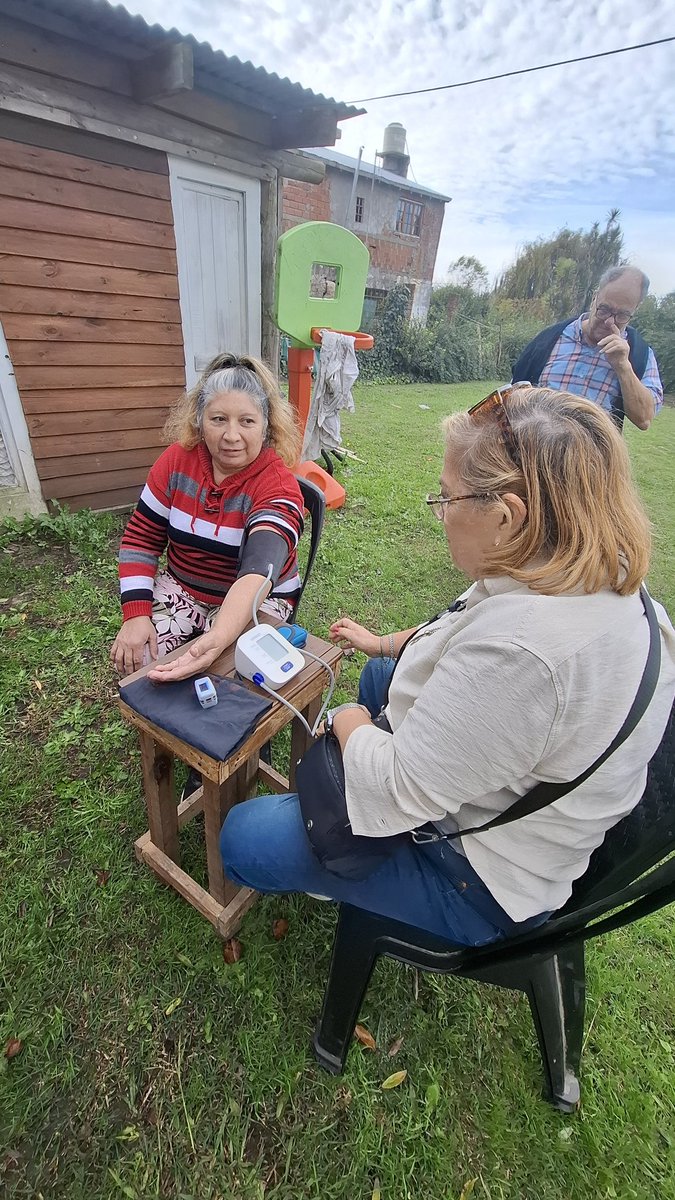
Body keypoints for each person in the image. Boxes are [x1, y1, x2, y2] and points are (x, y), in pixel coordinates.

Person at [220, 386, 675, 947]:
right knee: (385, 676)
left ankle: (343, 870)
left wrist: (348, 721)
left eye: (446, 500)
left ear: (507, 516)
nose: (440, 515)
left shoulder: (522, 659)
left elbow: (397, 787)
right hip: (526, 797)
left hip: (481, 877)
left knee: (241, 840)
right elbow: (466, 624)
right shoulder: (586, 566)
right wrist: (385, 645)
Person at [110, 352, 304, 682]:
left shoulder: (278, 484)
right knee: (139, 660)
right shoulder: (175, 462)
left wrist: (216, 641)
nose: (231, 436)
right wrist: (136, 613)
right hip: (183, 587)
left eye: (247, 421)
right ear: (200, 420)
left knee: (228, 678)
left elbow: (260, 568)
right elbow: (142, 538)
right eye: (218, 419)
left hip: (258, 599)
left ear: (267, 426)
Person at [511, 266, 663, 431]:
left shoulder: (640, 353)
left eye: (622, 315)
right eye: (604, 309)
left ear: (635, 310)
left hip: (590, 456)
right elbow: (511, 396)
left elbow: (644, 419)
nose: (609, 322)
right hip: (532, 451)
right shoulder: (549, 338)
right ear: (594, 297)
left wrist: (623, 367)